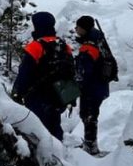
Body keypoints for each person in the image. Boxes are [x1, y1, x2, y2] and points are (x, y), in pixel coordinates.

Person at [11, 11, 75, 142]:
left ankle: (43, 158)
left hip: (38, 97)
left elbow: (25, 73)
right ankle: (59, 155)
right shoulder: (64, 46)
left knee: (38, 131)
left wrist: (16, 93)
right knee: (54, 126)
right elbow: (70, 72)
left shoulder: (35, 46)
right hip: (59, 94)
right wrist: (69, 98)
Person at [74, 15, 110, 155]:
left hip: (91, 87)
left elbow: (85, 72)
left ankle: (90, 146)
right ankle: (90, 144)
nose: (75, 29)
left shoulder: (88, 47)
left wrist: (78, 83)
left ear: (84, 28)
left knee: (88, 115)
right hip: (100, 85)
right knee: (91, 115)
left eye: (78, 26)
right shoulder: (99, 40)